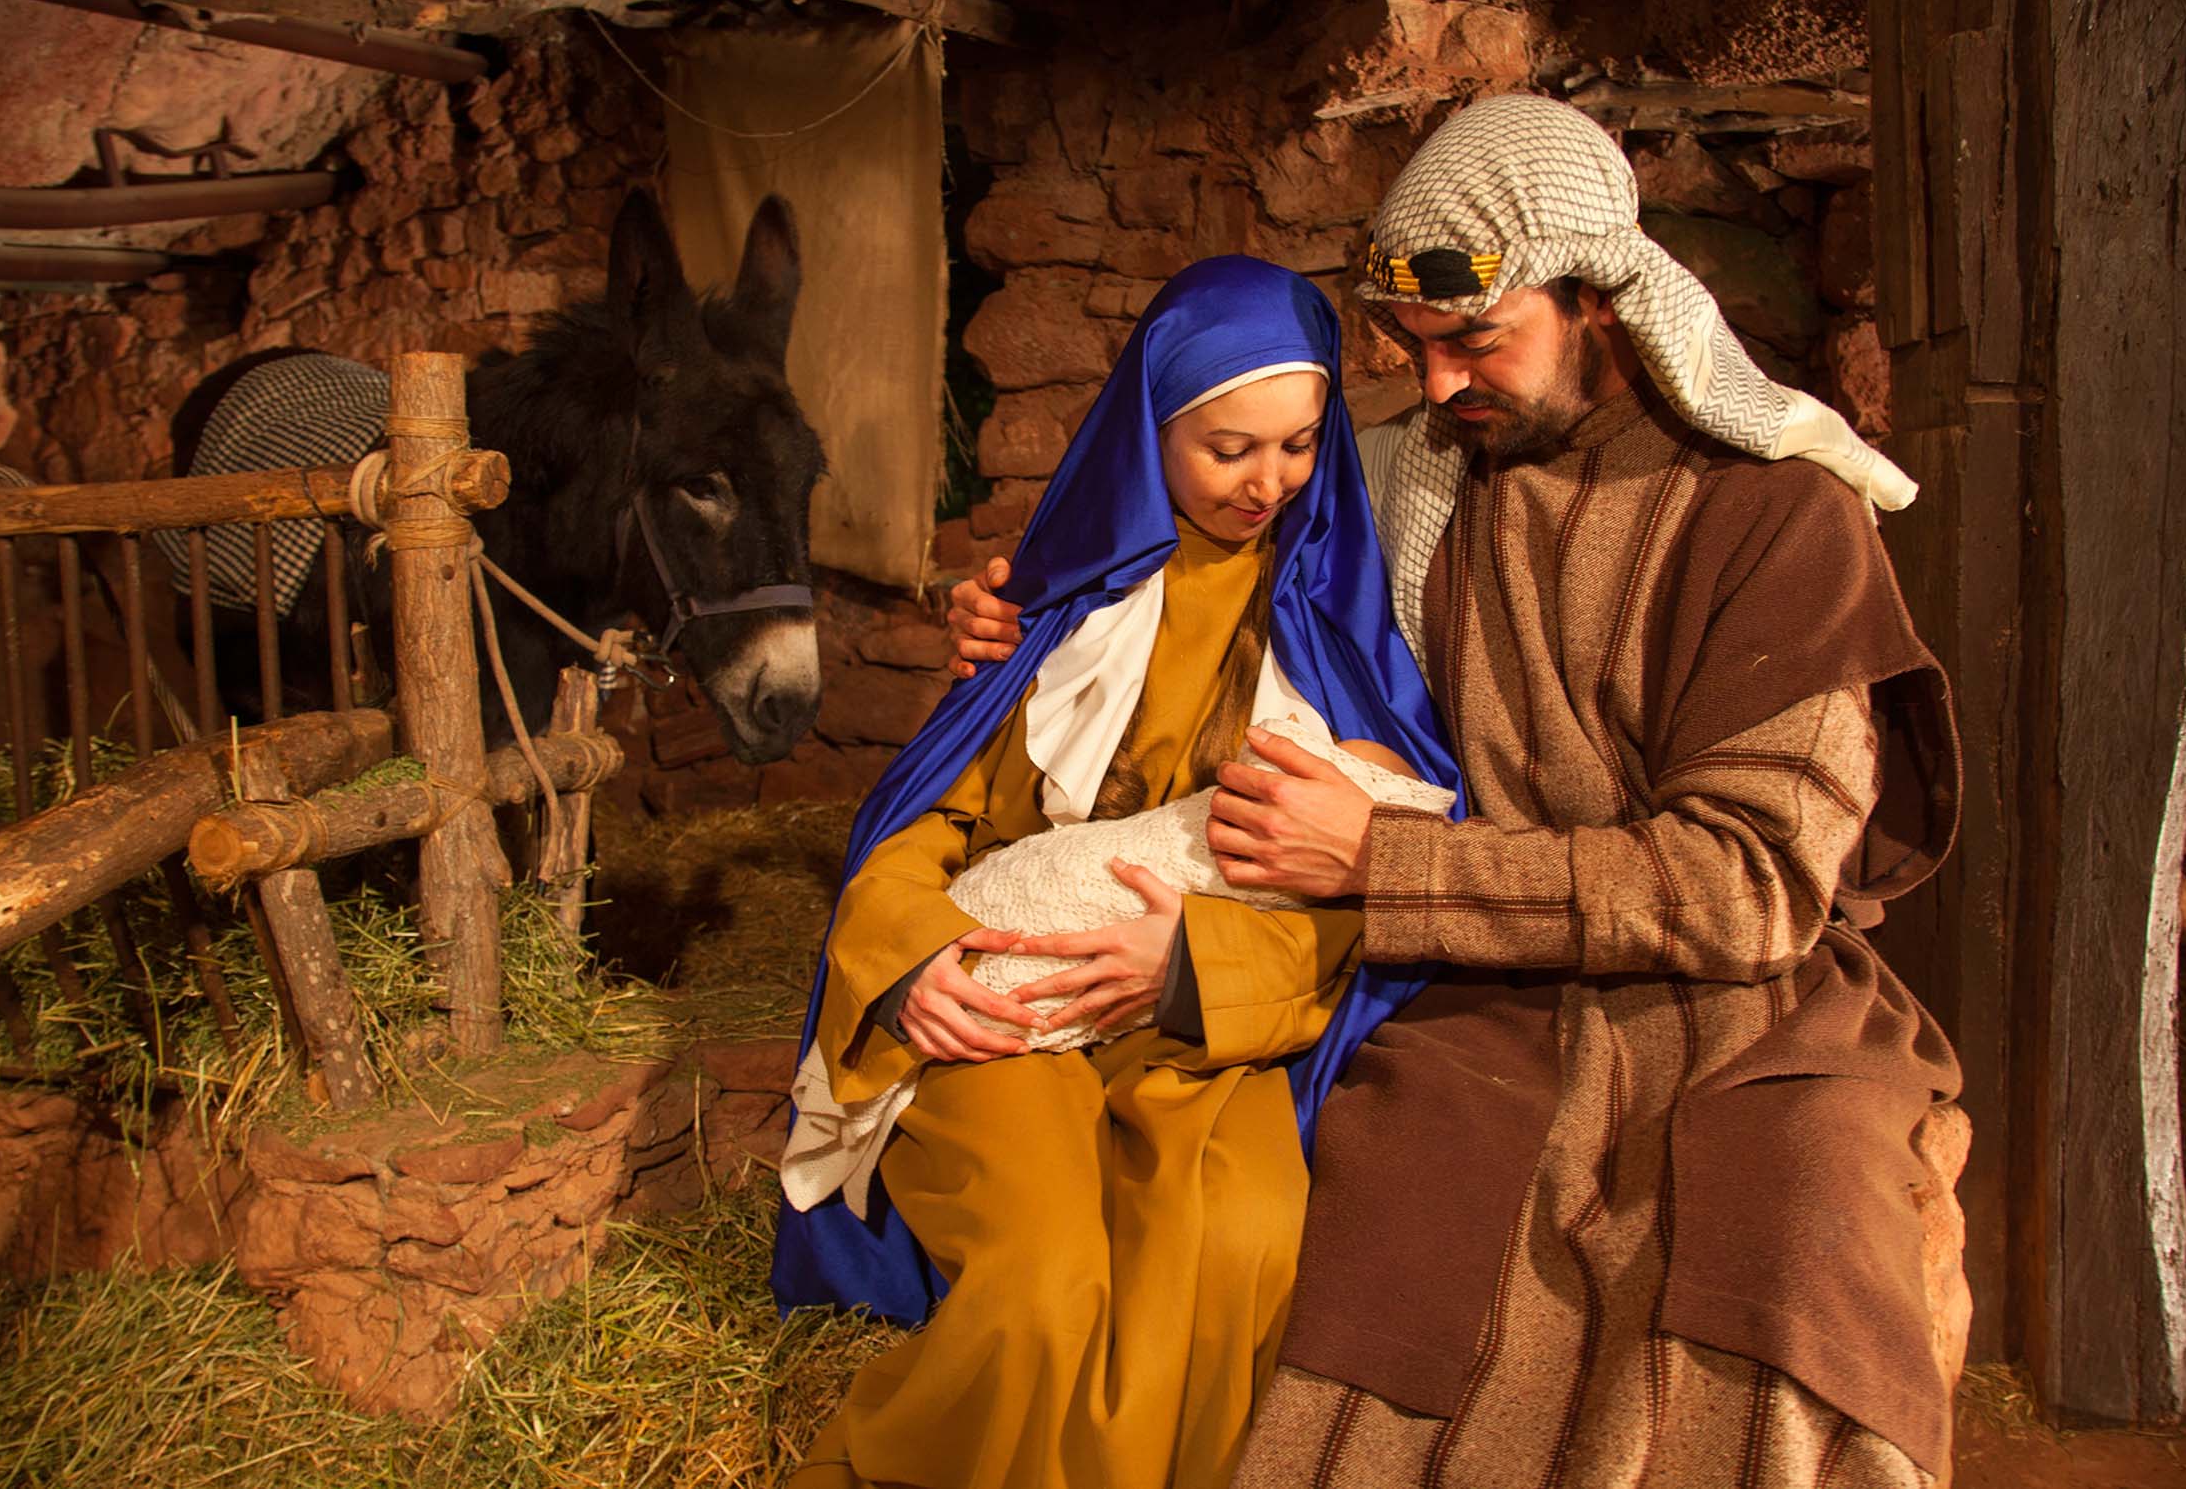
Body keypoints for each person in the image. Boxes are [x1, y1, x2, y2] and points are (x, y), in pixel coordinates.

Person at [945, 96, 1966, 1489]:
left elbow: (1749, 887)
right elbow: (1165, 557)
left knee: (1792, 1240)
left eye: (1475, 341)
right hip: (1476, 995)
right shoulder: (1408, 485)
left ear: (1602, 297)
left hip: (1754, 1005)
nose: (1434, 389)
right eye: (1412, 350)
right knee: (1392, 1235)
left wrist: (1388, 862)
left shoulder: (1780, 518)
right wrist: (1014, 628)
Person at [773, 255, 1464, 1489]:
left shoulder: (1334, 633)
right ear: (1153, 437)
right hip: (1016, 998)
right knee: (1044, 1282)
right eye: (1228, 448)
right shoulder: (1058, 606)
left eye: (1300, 446)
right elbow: (920, 829)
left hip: (1206, 1022)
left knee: (1243, 1242)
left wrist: (1190, 967)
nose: (1268, 483)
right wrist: (909, 960)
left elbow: (1377, 892)